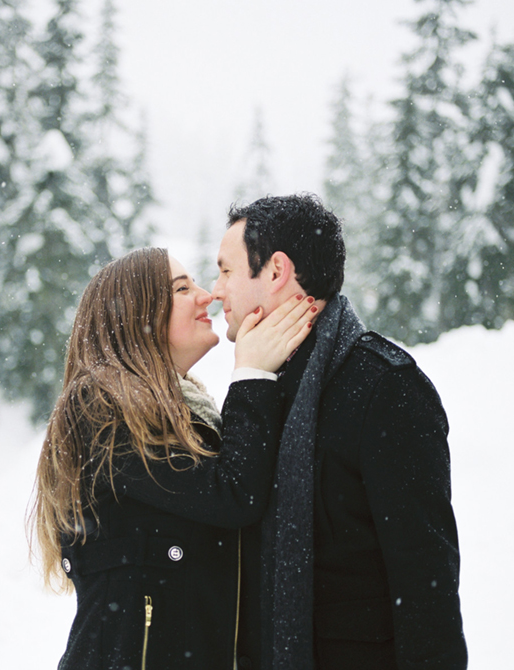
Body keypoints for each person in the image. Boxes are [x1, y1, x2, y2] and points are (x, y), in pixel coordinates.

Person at [31, 247, 319, 670]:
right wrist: (253, 374)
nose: (207, 296)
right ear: (135, 315)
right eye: (182, 288)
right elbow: (231, 494)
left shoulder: (182, 412)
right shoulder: (100, 409)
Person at [212, 194, 467, 670]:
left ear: (275, 271)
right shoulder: (257, 390)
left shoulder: (385, 387)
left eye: (226, 271)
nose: (216, 290)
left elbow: (424, 585)